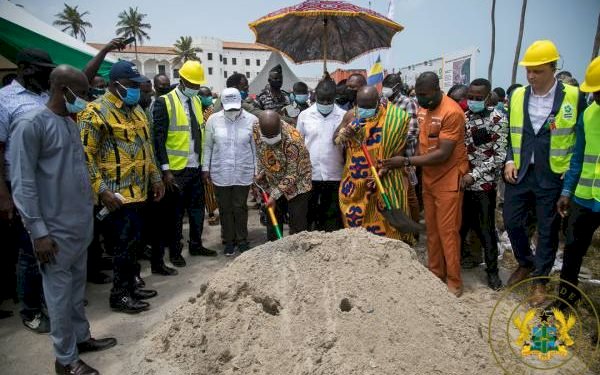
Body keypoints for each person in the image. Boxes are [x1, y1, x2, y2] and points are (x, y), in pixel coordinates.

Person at [11, 64, 117, 375]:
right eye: (83, 93)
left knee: (74, 293)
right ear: (62, 90)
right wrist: (38, 231)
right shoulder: (31, 125)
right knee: (57, 298)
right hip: (53, 232)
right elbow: (23, 182)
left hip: (79, 226)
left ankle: (81, 339)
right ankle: (65, 360)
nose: (87, 98)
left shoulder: (69, 123)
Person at [503, 40, 586, 306]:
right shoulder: (517, 96)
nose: (530, 76)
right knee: (512, 221)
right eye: (528, 70)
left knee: (547, 230)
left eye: (537, 71)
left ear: (552, 67)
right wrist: (508, 160)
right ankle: (525, 262)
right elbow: (511, 134)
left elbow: (579, 139)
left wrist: (570, 175)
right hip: (520, 171)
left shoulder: (574, 97)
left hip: (552, 175)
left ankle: (540, 280)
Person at [79, 61, 164, 313]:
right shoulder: (94, 112)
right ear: (116, 85)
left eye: (137, 85)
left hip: (140, 191)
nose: (136, 90)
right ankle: (120, 295)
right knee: (121, 247)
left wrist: (156, 177)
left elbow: (147, 148)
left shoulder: (137, 110)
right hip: (115, 195)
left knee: (134, 244)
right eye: (131, 86)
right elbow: (86, 156)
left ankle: (132, 284)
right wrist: (101, 190)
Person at [382, 72, 469, 297]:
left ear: (437, 89)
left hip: (449, 179)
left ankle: (454, 280)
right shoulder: (423, 110)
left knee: (447, 232)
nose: (419, 99)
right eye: (418, 94)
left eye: (424, 95)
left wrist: (407, 161)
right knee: (431, 229)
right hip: (428, 179)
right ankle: (435, 272)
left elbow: (443, 154)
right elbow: (421, 144)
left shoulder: (452, 113)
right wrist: (402, 161)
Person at [0, 48, 54, 333]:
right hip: (20, 185)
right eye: (42, 68)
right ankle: (30, 309)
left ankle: (47, 301)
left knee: (49, 247)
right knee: (30, 249)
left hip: (49, 185)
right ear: (24, 68)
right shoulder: (4, 100)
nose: (48, 74)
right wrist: (4, 196)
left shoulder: (44, 96)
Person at [153, 60, 217, 268]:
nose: (196, 89)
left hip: (195, 166)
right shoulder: (165, 102)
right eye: (192, 84)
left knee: (198, 209)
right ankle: (175, 251)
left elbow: (200, 132)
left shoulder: (197, 101)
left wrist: (204, 165)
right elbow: (159, 139)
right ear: (181, 80)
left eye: (198, 85)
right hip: (176, 169)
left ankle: (196, 244)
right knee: (176, 214)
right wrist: (165, 170)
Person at [335, 86, 415, 244]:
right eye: (361, 106)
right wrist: (345, 134)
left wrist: (384, 169)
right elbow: (335, 138)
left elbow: (399, 150)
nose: (364, 110)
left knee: (387, 227)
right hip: (356, 182)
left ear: (378, 102)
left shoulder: (396, 118)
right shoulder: (351, 115)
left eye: (368, 107)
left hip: (384, 179)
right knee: (356, 226)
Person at [556, 56, 600, 309]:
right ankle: (564, 301)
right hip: (584, 196)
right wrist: (566, 190)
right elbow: (578, 157)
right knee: (572, 251)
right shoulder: (589, 115)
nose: (596, 96)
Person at [458, 78, 507, 291]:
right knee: (460, 227)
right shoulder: (464, 118)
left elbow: (499, 156)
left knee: (486, 231)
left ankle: (493, 273)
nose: (473, 101)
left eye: (478, 98)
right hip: (463, 183)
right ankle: (460, 260)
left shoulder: (498, 119)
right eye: (470, 97)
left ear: (488, 98)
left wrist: (475, 174)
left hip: (484, 186)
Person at [202, 88, 257, 255]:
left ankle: (242, 240)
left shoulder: (252, 120)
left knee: (240, 206)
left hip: (243, 169)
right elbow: (208, 146)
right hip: (221, 170)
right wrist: (205, 168)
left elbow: (256, 149)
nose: (232, 109)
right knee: (225, 208)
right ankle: (228, 241)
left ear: (241, 102)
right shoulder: (213, 120)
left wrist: (257, 170)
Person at [254, 110, 312, 240]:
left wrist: (274, 196)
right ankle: (274, 249)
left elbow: (292, 174)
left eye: (273, 136)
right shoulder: (256, 128)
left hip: (298, 185)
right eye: (266, 137)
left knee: (297, 224)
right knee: (273, 220)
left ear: (280, 126)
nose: (270, 140)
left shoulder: (294, 140)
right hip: (273, 180)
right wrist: (261, 172)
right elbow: (260, 152)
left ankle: (298, 252)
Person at [297, 78, 345, 231]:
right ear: (315, 96)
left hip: (335, 173)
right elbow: (299, 143)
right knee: (310, 214)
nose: (325, 103)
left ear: (334, 97)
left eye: (328, 100)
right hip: (311, 174)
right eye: (321, 100)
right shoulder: (304, 116)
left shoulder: (344, 116)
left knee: (332, 215)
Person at [383, 73, 421, 222]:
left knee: (409, 194)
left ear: (397, 87)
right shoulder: (383, 102)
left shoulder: (408, 103)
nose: (384, 90)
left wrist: (394, 146)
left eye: (388, 87)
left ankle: (415, 229)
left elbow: (412, 131)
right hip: (387, 157)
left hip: (404, 157)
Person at [198, 86, 220, 226]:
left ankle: (215, 209)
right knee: (205, 186)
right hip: (200, 152)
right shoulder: (196, 111)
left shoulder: (213, 112)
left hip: (213, 151)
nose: (207, 98)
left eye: (209, 95)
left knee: (212, 185)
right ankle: (210, 212)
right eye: (204, 96)